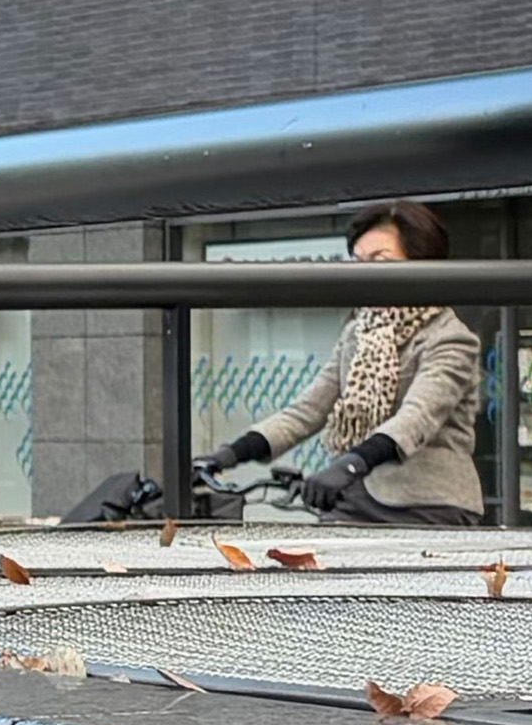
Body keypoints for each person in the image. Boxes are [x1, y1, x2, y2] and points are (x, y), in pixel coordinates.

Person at [196, 202, 486, 524]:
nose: (365, 274)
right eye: (359, 263)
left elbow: (416, 418)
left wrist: (349, 465)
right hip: (356, 498)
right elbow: (306, 411)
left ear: (421, 263)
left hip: (428, 504)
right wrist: (228, 455)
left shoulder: (450, 338)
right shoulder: (357, 332)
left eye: (380, 261)